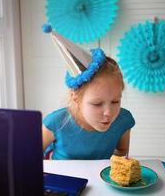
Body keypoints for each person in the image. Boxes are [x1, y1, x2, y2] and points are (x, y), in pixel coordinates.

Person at [42, 24, 135, 160]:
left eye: (115, 101)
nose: (109, 112)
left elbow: (121, 151)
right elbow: (31, 157)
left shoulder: (123, 120)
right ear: (76, 98)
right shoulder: (55, 122)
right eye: (97, 104)